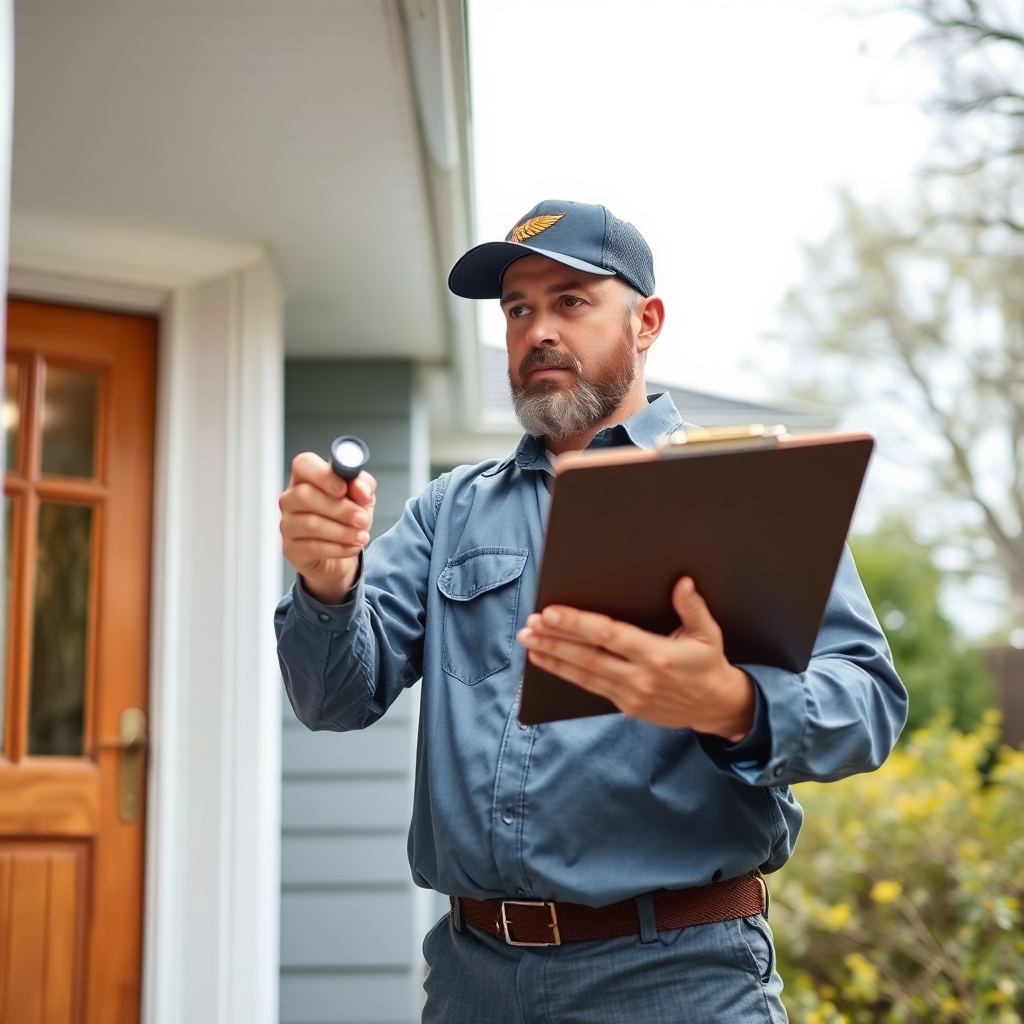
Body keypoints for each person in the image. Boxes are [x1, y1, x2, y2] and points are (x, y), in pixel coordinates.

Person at [275, 200, 908, 1023]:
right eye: (517, 309)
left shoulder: (743, 489)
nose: (538, 328)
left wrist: (732, 704)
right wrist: (327, 583)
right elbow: (332, 699)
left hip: (679, 982)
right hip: (474, 982)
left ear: (646, 322)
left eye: (570, 301)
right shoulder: (449, 512)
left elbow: (869, 700)